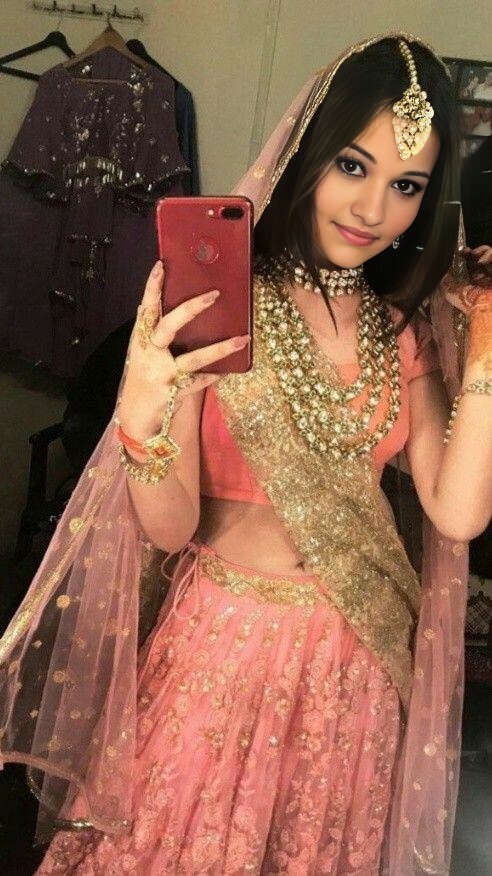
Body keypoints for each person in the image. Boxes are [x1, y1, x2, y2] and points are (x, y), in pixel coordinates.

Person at [1, 32, 491, 875]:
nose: (372, 208)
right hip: (220, 647)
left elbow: (459, 509)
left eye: (406, 185)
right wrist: (143, 414)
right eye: (352, 165)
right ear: (307, 153)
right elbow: (169, 527)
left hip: (353, 666)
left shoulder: (401, 332)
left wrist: (484, 346)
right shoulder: (221, 303)